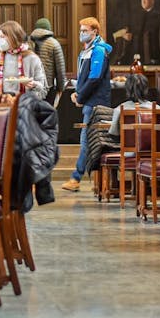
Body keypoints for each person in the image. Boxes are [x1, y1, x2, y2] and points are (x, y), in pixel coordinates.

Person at [61, 16, 112, 192]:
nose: (81, 33)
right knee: (91, 141)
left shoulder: (98, 51)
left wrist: (80, 97)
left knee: (87, 141)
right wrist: (77, 92)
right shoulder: (86, 50)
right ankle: (94, 180)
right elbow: (83, 76)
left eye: (85, 31)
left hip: (96, 102)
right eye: (80, 30)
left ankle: (76, 178)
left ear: (94, 32)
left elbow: (94, 78)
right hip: (88, 100)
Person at [0, 20, 47, 98]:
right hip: (2, 102)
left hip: (24, 103)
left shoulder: (32, 58)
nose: (0, 40)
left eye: (3, 37)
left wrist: (33, 85)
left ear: (13, 37)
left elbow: (42, 87)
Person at [113, 0, 160, 66]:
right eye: (142, 0)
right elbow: (132, 30)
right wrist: (125, 35)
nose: (143, 2)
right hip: (139, 50)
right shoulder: (137, 15)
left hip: (153, 51)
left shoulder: (159, 16)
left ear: (152, 1)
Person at [29, 17, 67, 104]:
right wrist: (60, 88)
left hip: (30, 85)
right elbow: (60, 69)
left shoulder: (29, 43)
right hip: (48, 87)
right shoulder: (54, 44)